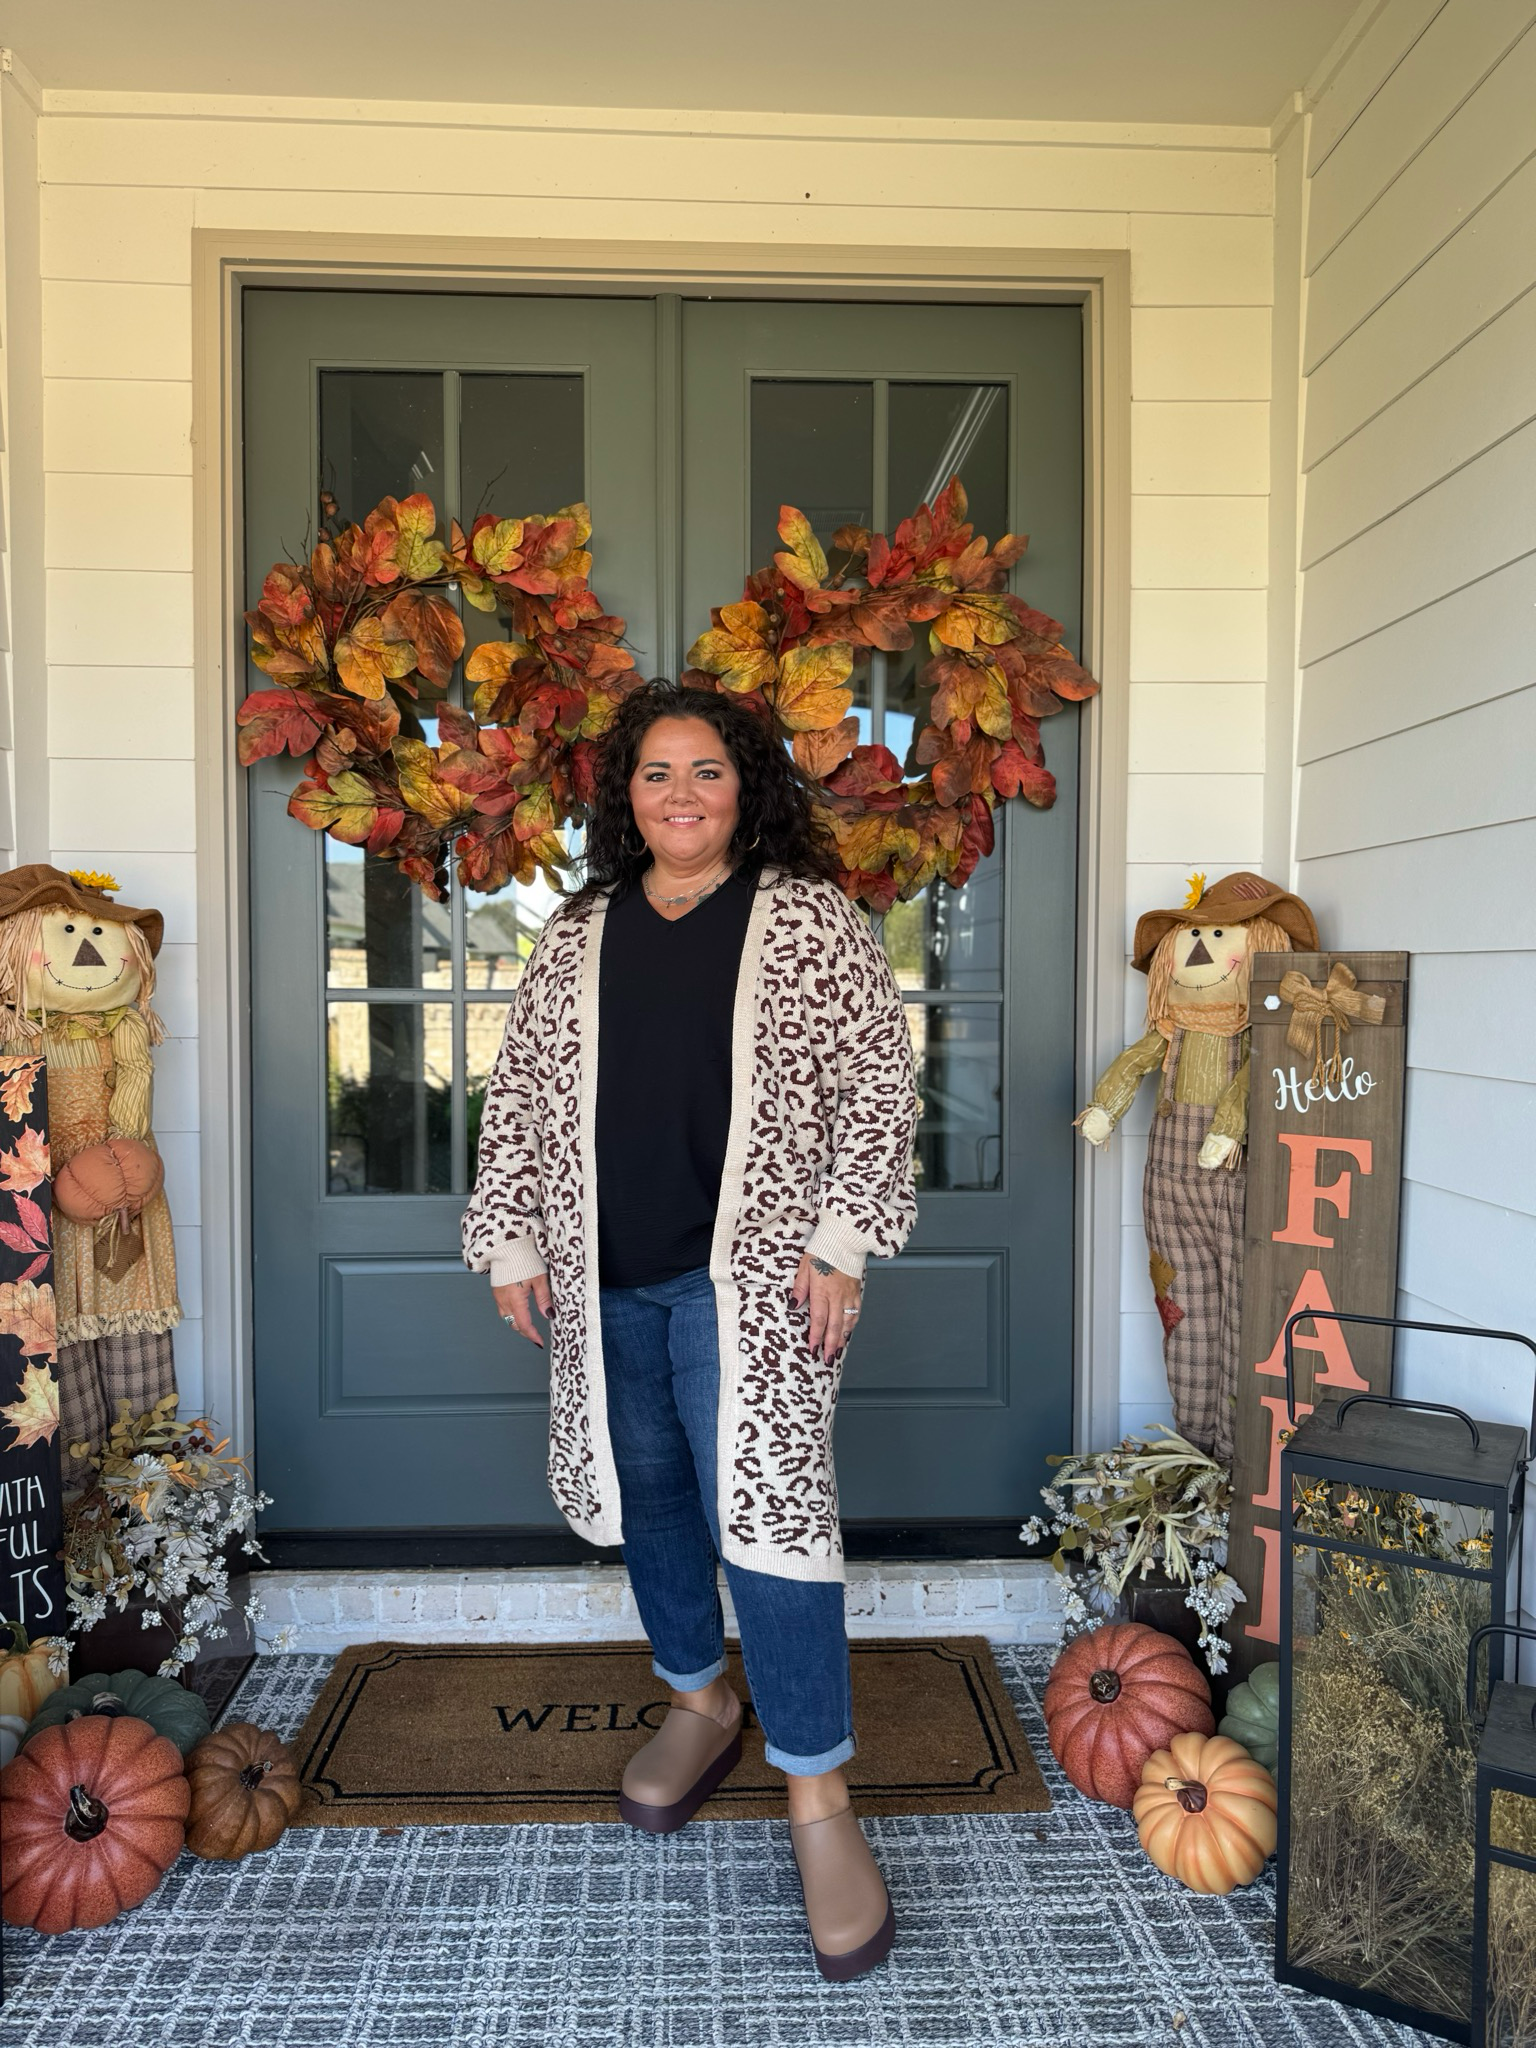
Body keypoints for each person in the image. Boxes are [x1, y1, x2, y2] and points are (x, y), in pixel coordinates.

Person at [462, 680, 918, 1981]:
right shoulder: (578, 929)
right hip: (605, 1278)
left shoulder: (810, 921)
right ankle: (699, 1695)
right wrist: (510, 1233)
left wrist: (841, 1242)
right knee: (653, 1495)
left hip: (756, 1289)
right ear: (629, 796)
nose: (680, 796)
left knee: (772, 1525)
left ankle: (818, 1792)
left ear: (747, 786)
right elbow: (524, 1093)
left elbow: (880, 1085)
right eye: (657, 774)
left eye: (706, 772)